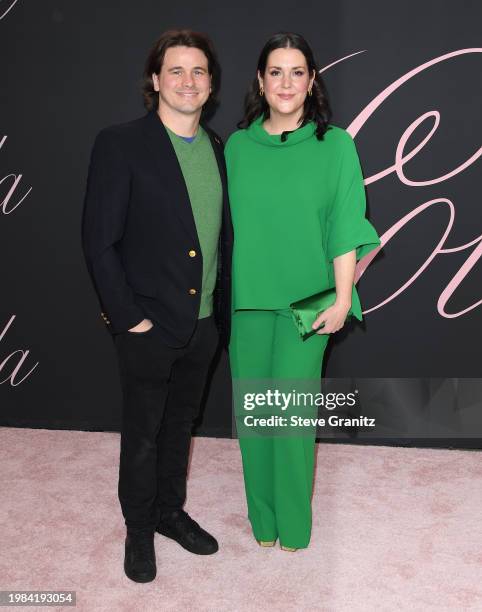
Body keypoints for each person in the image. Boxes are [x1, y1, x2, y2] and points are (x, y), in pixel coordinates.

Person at [81, 29, 233, 583]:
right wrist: (130, 319)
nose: (187, 81)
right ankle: (139, 528)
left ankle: (170, 513)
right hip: (147, 323)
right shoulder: (120, 143)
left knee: (181, 427)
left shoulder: (219, 148)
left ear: (211, 84)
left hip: (203, 325)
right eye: (176, 70)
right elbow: (98, 242)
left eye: (198, 71)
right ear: (155, 81)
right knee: (143, 433)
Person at [225, 32, 380, 551]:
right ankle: (262, 524)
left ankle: (294, 527)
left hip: (308, 305)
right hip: (247, 301)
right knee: (254, 418)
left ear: (312, 80)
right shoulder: (238, 147)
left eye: (297, 72)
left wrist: (341, 299)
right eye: (276, 72)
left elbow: (344, 225)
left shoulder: (335, 145)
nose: (286, 83)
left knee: (289, 419)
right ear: (260, 81)